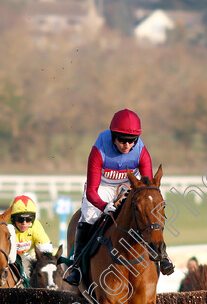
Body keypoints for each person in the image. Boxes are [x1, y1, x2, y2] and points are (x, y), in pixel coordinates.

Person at [63, 108, 174, 286]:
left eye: (132, 141)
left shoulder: (142, 152)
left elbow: (147, 186)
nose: (127, 146)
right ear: (113, 136)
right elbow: (91, 190)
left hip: (131, 185)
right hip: (102, 186)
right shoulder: (99, 150)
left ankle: (162, 255)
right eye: (122, 140)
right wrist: (103, 205)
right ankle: (76, 267)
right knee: (89, 216)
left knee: (148, 210)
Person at [10, 195, 54, 280]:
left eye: (29, 219)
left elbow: (46, 252)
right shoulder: (6, 226)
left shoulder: (36, 227)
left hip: (25, 256)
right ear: (12, 219)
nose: (24, 223)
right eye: (20, 219)